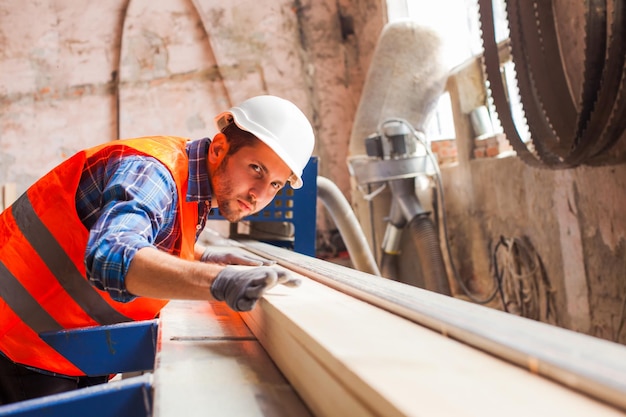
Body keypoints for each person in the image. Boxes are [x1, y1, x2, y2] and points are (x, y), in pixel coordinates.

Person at [0, 95, 316, 404]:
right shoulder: (153, 173)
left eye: (275, 184)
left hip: (50, 344)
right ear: (220, 148)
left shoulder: (191, 184)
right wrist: (218, 281)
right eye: (256, 169)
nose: (260, 193)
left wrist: (201, 257)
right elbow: (113, 257)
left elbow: (148, 235)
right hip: (18, 345)